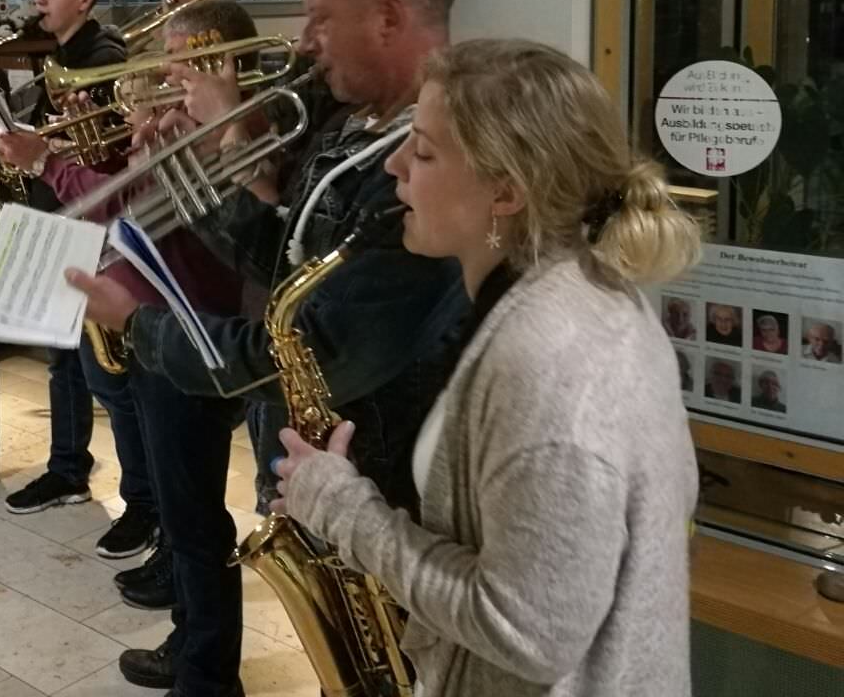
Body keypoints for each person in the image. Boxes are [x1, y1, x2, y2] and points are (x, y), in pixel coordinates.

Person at [69, 0, 470, 694]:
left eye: (321, 17)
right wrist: (194, 157)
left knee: (399, 669)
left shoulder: (422, 169)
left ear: (388, 16)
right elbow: (278, 257)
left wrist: (139, 325)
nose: (306, 41)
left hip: (388, 469)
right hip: (338, 455)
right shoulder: (350, 124)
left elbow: (311, 349)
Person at [269, 39, 701, 696]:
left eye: (423, 151)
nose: (393, 165)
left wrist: (341, 509)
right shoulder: (569, 294)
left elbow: (528, 632)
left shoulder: (550, 359)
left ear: (505, 191)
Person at [0, 0, 257, 697]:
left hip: (189, 341)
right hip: (160, 335)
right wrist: (124, 145)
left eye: (176, 68)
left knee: (195, 522)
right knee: (184, 515)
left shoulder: (229, 133)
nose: (167, 81)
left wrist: (50, 161)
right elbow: (133, 196)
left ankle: (207, 674)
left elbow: (127, 205)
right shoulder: (191, 129)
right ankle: (191, 641)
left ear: (216, 63)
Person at [2, 0, 146, 526]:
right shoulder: (57, 55)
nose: (38, 0)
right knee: (61, 363)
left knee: (108, 378)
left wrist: (49, 148)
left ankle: (143, 502)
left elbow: (113, 159)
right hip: (56, 218)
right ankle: (67, 469)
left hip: (93, 231)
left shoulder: (103, 58)